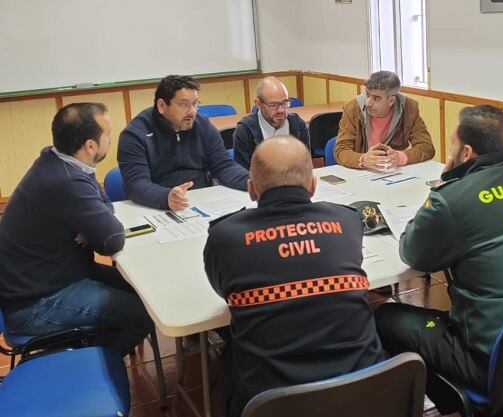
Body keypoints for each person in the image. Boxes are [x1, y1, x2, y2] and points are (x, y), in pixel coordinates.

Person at [375, 105, 503, 390]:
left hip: (498, 362)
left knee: (385, 316)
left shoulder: (452, 198)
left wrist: (442, 187)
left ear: (466, 153)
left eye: (453, 145)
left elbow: (412, 253)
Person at [204, 136, 384, 417]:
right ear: (313, 186)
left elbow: (222, 289)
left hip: (273, 404)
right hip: (364, 394)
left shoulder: (225, 236)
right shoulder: (348, 221)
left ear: (251, 189)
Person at [0, 103, 153, 356]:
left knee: (145, 291)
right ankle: (87, 365)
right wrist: (97, 227)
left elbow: (104, 209)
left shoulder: (57, 159)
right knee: (142, 315)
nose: (110, 138)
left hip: (53, 277)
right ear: (90, 145)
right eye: (108, 133)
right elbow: (113, 239)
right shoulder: (67, 181)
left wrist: (95, 226)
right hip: (35, 304)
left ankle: (87, 350)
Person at [118, 75, 249, 211]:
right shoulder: (135, 134)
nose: (192, 111)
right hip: (157, 206)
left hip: (203, 201)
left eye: (195, 104)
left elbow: (224, 166)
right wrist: (167, 197)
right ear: (162, 106)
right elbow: (136, 184)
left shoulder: (203, 125)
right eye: (184, 105)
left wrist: (252, 181)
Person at [334, 70, 435, 170]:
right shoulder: (353, 109)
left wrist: (399, 157)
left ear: (391, 100)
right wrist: (363, 159)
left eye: (376, 98)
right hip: (360, 172)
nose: (368, 103)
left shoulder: (409, 109)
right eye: (367, 95)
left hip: (391, 173)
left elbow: (426, 147)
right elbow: (341, 150)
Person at [233, 76, 310, 170]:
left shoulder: (297, 124)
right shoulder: (245, 130)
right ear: (258, 104)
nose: (281, 110)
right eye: (273, 105)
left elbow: (305, 165)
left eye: (285, 103)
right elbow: (244, 172)